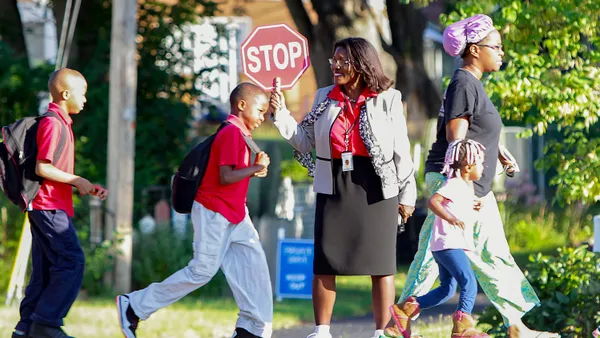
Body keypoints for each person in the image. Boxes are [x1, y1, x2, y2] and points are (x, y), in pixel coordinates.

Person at [396, 14, 558, 338]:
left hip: (472, 187)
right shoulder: (463, 83)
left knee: (492, 253)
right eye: (496, 46)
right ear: (473, 49)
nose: (502, 52)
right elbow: (457, 138)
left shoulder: (473, 84)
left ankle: (516, 326)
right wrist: (461, 192)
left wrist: (497, 152)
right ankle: (398, 319)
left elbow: (476, 133)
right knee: (432, 255)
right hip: (454, 184)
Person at [270, 37, 417, 338]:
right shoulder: (324, 96)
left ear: (362, 64)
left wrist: (408, 195)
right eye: (333, 60)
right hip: (334, 184)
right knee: (325, 260)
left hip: (376, 186)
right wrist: (281, 114)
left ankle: (381, 331)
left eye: (342, 60)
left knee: (381, 263)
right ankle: (321, 331)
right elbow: (304, 140)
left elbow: (401, 149)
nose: (335, 65)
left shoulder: (387, 98)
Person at [116, 83, 273, 338]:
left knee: (253, 266)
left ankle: (253, 329)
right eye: (260, 110)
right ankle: (134, 306)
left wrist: (253, 169)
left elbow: (230, 174)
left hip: (235, 213)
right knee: (202, 271)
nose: (263, 117)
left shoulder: (241, 134)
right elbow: (225, 176)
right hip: (214, 211)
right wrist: (255, 169)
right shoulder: (232, 133)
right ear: (242, 105)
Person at [12, 68, 109, 338]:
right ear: (66, 94)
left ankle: (25, 330)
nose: (86, 99)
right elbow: (43, 167)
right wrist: (77, 179)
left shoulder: (61, 122)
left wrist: (83, 186)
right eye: (83, 94)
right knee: (72, 262)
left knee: (44, 271)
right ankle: (46, 323)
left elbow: (56, 171)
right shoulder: (52, 123)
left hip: (51, 204)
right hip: (47, 205)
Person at [385, 139, 489, 338]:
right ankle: (463, 326)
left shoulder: (463, 187)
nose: (483, 168)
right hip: (449, 245)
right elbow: (434, 201)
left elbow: (456, 203)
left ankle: (407, 309)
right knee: (468, 281)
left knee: (447, 289)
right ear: (468, 166)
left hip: (444, 246)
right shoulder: (454, 183)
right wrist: (450, 218)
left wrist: (472, 204)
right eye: (481, 163)